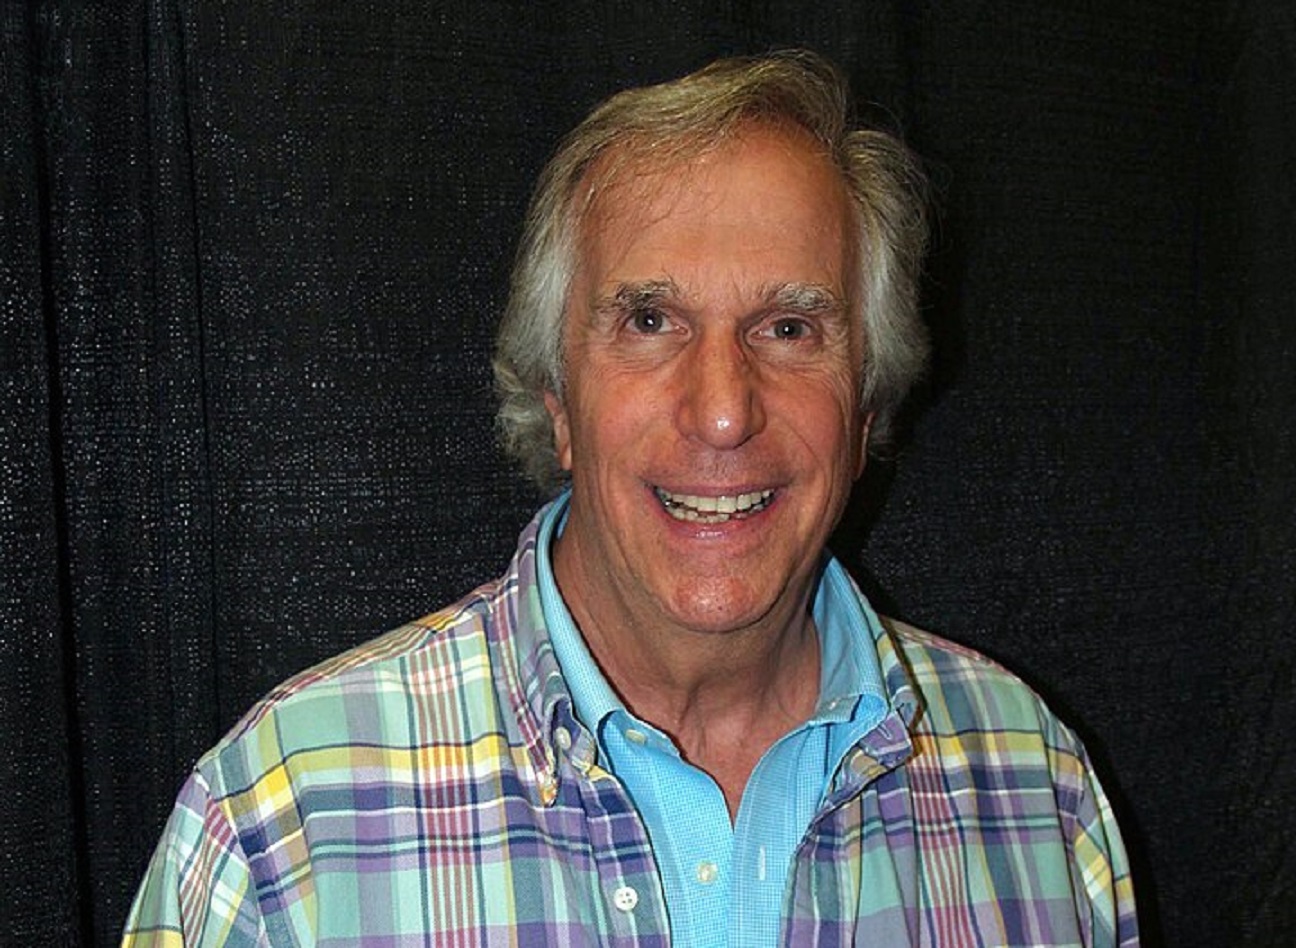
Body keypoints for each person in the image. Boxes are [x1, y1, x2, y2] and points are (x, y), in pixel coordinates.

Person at [123, 51, 1137, 946]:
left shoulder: (1034, 792)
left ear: (867, 402)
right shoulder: (286, 824)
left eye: (789, 327)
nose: (724, 411)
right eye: (650, 320)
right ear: (557, 398)